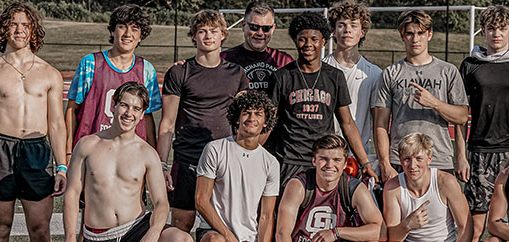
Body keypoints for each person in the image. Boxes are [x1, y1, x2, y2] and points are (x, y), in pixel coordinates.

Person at [0, 3, 67, 241]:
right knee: (0, 230)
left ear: (33, 30)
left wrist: (62, 167)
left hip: (37, 151)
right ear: (4, 28)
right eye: (13, 23)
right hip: (0, 151)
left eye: (25, 24)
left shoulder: (50, 73)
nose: (19, 29)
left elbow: (56, 123)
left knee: (40, 230)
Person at [157, 10, 249, 233]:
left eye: (213, 31)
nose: (208, 36)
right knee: (181, 226)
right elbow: (167, 124)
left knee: (222, 228)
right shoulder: (180, 71)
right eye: (202, 31)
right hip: (188, 158)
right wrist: (161, 164)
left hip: (224, 161)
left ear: (223, 35)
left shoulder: (237, 73)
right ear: (194, 36)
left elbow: (243, 125)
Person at [63, 82, 192, 242]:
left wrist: (153, 232)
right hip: (98, 235)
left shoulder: (147, 153)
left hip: (135, 229)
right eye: (124, 105)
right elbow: (72, 194)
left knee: (181, 239)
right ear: (114, 105)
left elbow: (161, 202)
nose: (129, 113)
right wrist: (70, 238)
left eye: (136, 109)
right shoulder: (87, 145)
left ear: (142, 113)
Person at [457, 5, 509, 241]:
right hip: (480, 151)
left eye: (502, 29)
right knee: (475, 228)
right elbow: (462, 116)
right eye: (491, 28)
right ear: (482, 31)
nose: (496, 34)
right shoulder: (471, 65)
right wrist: (461, 156)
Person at [267, 12, 377, 185]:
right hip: (289, 160)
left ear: (323, 41)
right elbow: (269, 123)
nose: (308, 44)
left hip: (324, 161)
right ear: (295, 40)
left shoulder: (334, 76)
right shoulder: (282, 77)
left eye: (314, 39)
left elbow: (347, 123)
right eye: (302, 39)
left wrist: (365, 162)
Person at [372, 10, 469, 183]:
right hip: (400, 159)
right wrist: (385, 163)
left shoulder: (448, 71)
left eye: (420, 33)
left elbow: (461, 117)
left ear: (429, 34)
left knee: (440, 210)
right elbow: (380, 124)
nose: (415, 39)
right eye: (409, 33)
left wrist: (434, 103)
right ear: (403, 36)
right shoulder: (390, 73)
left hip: (438, 158)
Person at [65, 4, 162, 161]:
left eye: (135, 29)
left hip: (130, 155)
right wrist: (68, 153)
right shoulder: (90, 63)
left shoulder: (146, 70)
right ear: (112, 30)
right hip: (91, 151)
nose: (128, 34)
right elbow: (72, 109)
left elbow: (147, 117)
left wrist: (154, 157)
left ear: (141, 36)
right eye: (122, 27)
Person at [194, 91, 280, 242]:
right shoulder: (215, 149)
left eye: (258, 114)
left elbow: (266, 216)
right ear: (237, 118)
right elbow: (201, 200)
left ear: (266, 122)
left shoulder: (271, 163)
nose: (251, 118)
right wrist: (230, 238)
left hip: (249, 236)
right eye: (246, 113)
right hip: (215, 231)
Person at [275, 134, 383, 242]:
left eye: (337, 160)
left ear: (345, 164)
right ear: (314, 161)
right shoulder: (298, 185)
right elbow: (282, 234)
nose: (329, 165)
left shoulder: (354, 188)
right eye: (323, 159)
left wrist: (336, 233)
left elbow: (380, 231)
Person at [323, 0, 383, 172]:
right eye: (341, 25)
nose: (347, 30)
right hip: (325, 156)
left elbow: (378, 124)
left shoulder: (374, 74)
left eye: (353, 25)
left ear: (362, 32)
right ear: (334, 31)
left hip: (359, 159)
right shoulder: (320, 68)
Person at [382, 133, 472, 242]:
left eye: (419, 158)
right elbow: (391, 238)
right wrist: (407, 225)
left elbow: (466, 227)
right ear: (400, 160)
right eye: (407, 159)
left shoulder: (446, 182)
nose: (412, 165)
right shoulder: (392, 187)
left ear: (429, 159)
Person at [220, 1, 294, 93]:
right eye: (254, 27)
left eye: (266, 28)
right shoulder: (224, 60)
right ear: (243, 25)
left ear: (273, 29)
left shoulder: (285, 62)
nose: (260, 33)